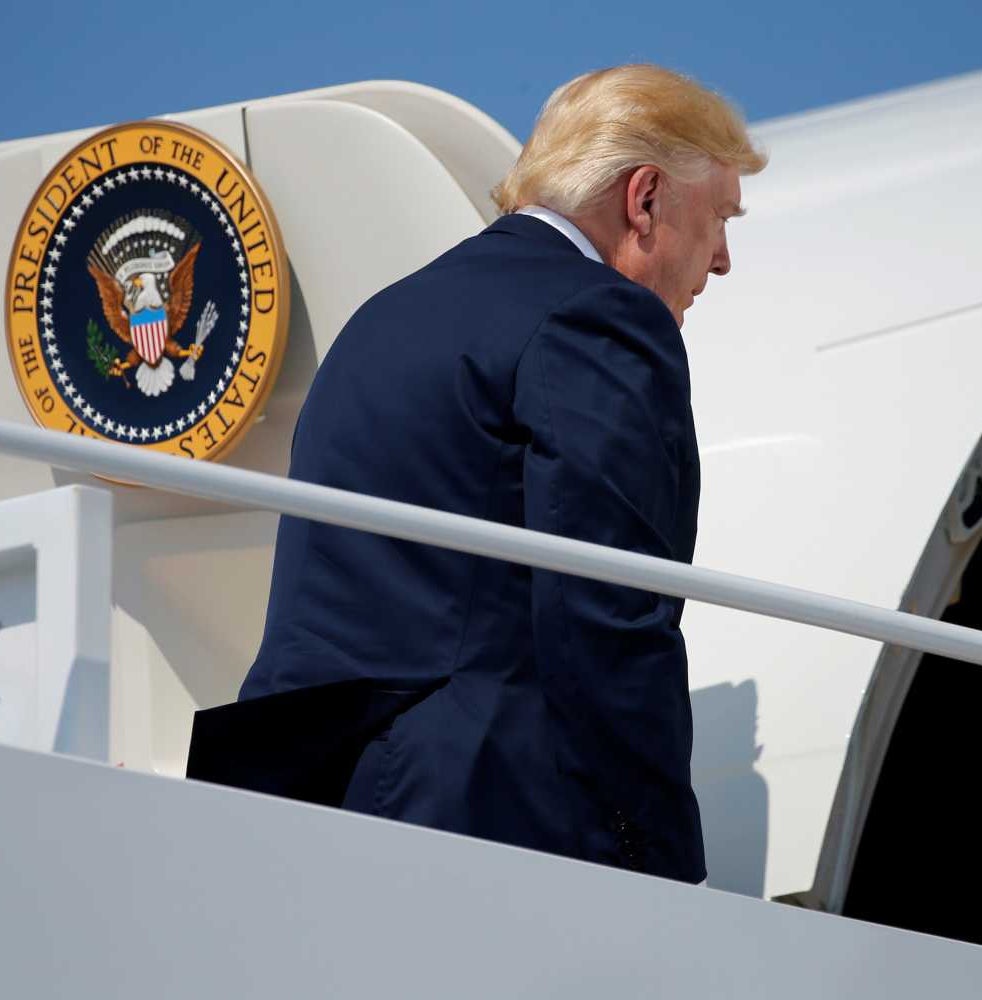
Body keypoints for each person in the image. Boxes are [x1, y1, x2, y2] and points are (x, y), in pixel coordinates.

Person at [208, 65, 766, 884]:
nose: (721, 260)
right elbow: (608, 613)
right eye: (719, 215)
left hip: (304, 806)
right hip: (485, 819)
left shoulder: (381, 317)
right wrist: (662, 865)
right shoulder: (599, 318)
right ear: (644, 199)